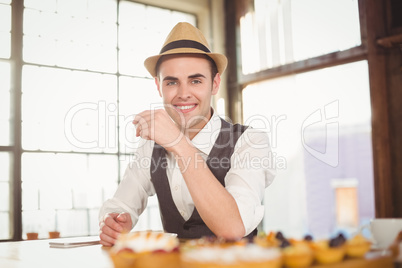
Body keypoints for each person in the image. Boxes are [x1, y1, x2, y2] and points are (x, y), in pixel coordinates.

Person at [98, 22, 276, 247]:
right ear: (158, 86)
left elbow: (233, 228)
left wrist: (177, 143)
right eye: (172, 82)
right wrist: (113, 222)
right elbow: (120, 206)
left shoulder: (250, 142)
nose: (183, 94)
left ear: (215, 83)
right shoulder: (149, 148)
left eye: (195, 80)